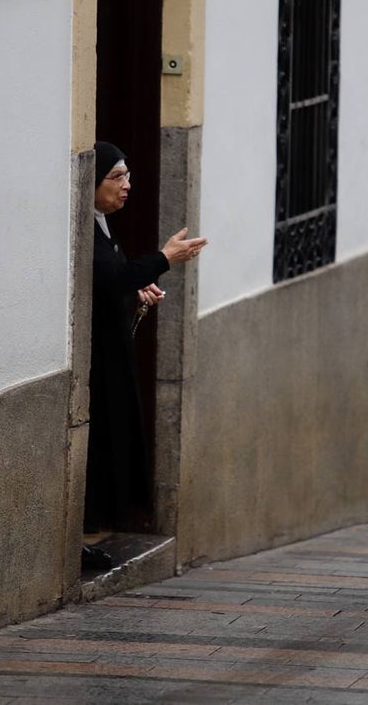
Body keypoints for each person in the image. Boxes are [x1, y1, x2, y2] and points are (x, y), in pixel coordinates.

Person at [83, 141, 207, 569]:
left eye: (127, 175)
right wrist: (163, 258)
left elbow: (113, 280)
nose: (127, 185)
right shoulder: (85, 227)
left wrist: (135, 289)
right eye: (116, 177)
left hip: (115, 358)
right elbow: (104, 276)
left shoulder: (103, 223)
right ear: (90, 182)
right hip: (98, 365)